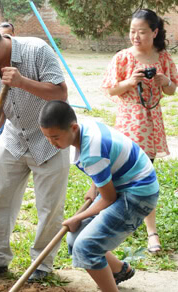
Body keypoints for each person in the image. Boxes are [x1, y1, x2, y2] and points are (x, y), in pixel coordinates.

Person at [0, 21, 69, 280]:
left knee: (49, 207)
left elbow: (60, 93)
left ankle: (40, 264)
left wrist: (21, 81)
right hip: (15, 138)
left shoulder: (36, 50)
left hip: (50, 140)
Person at [39, 100, 159, 292]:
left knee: (86, 247)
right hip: (124, 183)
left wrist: (77, 217)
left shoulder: (91, 154)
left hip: (138, 194)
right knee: (74, 239)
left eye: (55, 137)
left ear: (73, 127)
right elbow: (108, 161)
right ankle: (120, 271)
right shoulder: (87, 128)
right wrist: (96, 185)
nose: (52, 143)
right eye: (47, 137)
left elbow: (109, 198)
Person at [102, 9, 177, 254]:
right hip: (128, 123)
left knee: (146, 177)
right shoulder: (122, 58)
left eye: (142, 32)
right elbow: (111, 90)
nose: (135, 36)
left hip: (151, 123)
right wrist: (130, 82)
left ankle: (151, 232)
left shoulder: (163, 57)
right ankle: (111, 225)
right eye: (132, 31)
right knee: (118, 175)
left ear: (155, 32)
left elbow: (171, 90)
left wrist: (164, 81)